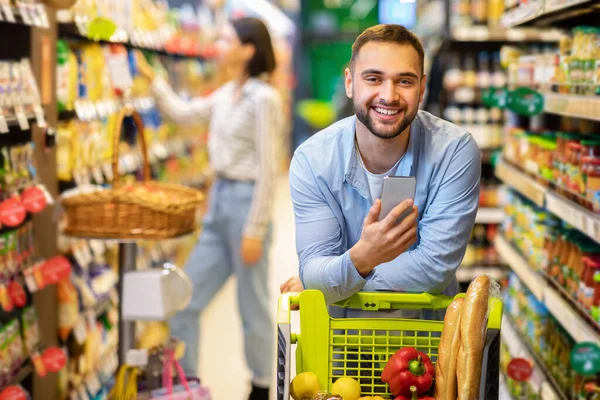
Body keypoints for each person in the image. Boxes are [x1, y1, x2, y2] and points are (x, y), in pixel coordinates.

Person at [282, 24, 480, 311]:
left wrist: (336, 281)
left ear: (422, 88)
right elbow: (313, 268)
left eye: (405, 81)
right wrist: (361, 257)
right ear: (350, 83)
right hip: (340, 342)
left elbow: (433, 268)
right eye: (374, 79)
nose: (389, 95)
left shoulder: (454, 151)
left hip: (428, 341)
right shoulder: (313, 161)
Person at [136, 17, 282, 400]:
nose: (218, 43)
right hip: (218, 205)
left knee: (252, 306)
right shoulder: (225, 93)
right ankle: (189, 385)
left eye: (225, 38)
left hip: (247, 204)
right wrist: (154, 81)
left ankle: (261, 386)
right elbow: (183, 115)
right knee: (185, 297)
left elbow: (269, 168)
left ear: (248, 49)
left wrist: (255, 227)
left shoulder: (263, 99)